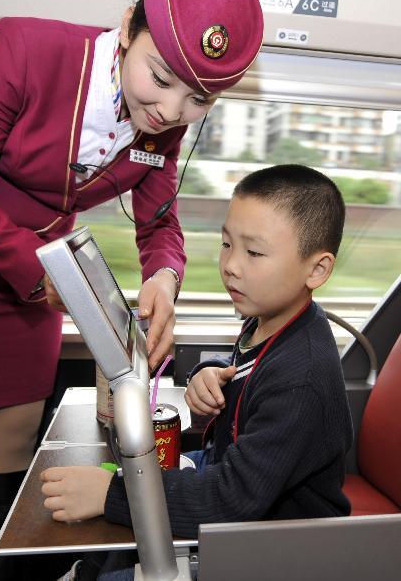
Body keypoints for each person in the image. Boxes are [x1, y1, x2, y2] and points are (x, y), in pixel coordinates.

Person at [0, 0, 263, 579]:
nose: (170, 111)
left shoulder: (160, 130)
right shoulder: (25, 50)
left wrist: (164, 279)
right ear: (128, 26)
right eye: (160, 78)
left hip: (34, 287)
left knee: (13, 437)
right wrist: (48, 279)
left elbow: (160, 223)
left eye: (198, 100)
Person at [41, 164, 354, 579]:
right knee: (128, 492)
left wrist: (112, 497)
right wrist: (212, 370)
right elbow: (247, 370)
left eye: (254, 252)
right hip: (232, 482)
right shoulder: (267, 320)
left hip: (280, 544)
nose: (231, 265)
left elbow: (232, 501)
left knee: (122, 509)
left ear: (316, 270)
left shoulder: (303, 377)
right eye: (226, 244)